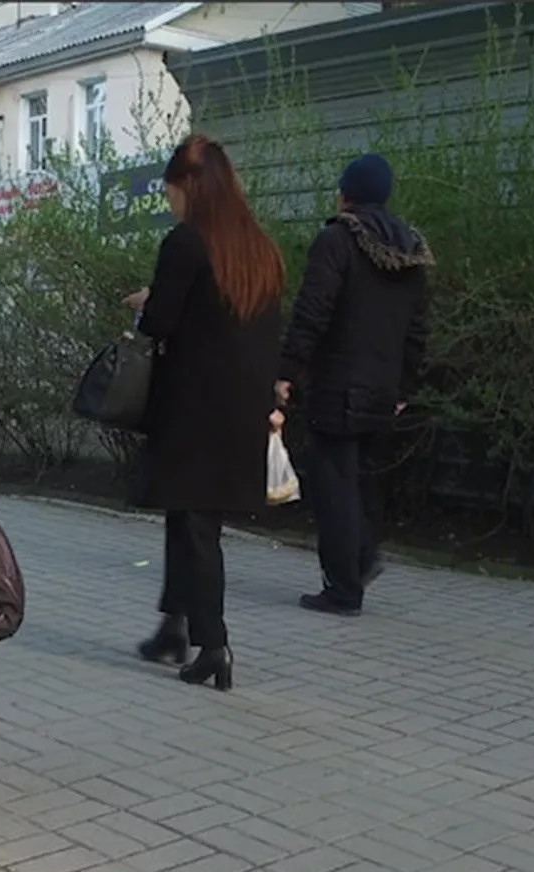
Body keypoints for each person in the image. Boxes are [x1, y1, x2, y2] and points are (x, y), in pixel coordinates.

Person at [124, 135, 285, 690]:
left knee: (197, 527)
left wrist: (147, 303)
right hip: (242, 407)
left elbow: (163, 323)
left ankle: (213, 645)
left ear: (190, 186)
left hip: (193, 406)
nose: (169, 200)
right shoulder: (260, 248)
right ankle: (173, 625)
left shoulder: (187, 243)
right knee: (186, 515)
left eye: (170, 190)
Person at [276, 152, 432, 617]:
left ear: (346, 194)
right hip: (383, 388)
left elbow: (312, 311)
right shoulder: (410, 250)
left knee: (334, 486)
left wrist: (287, 370)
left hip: (338, 385)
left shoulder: (336, 241)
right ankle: (361, 557)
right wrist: (404, 386)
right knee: (359, 484)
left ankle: (345, 586)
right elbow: (417, 330)